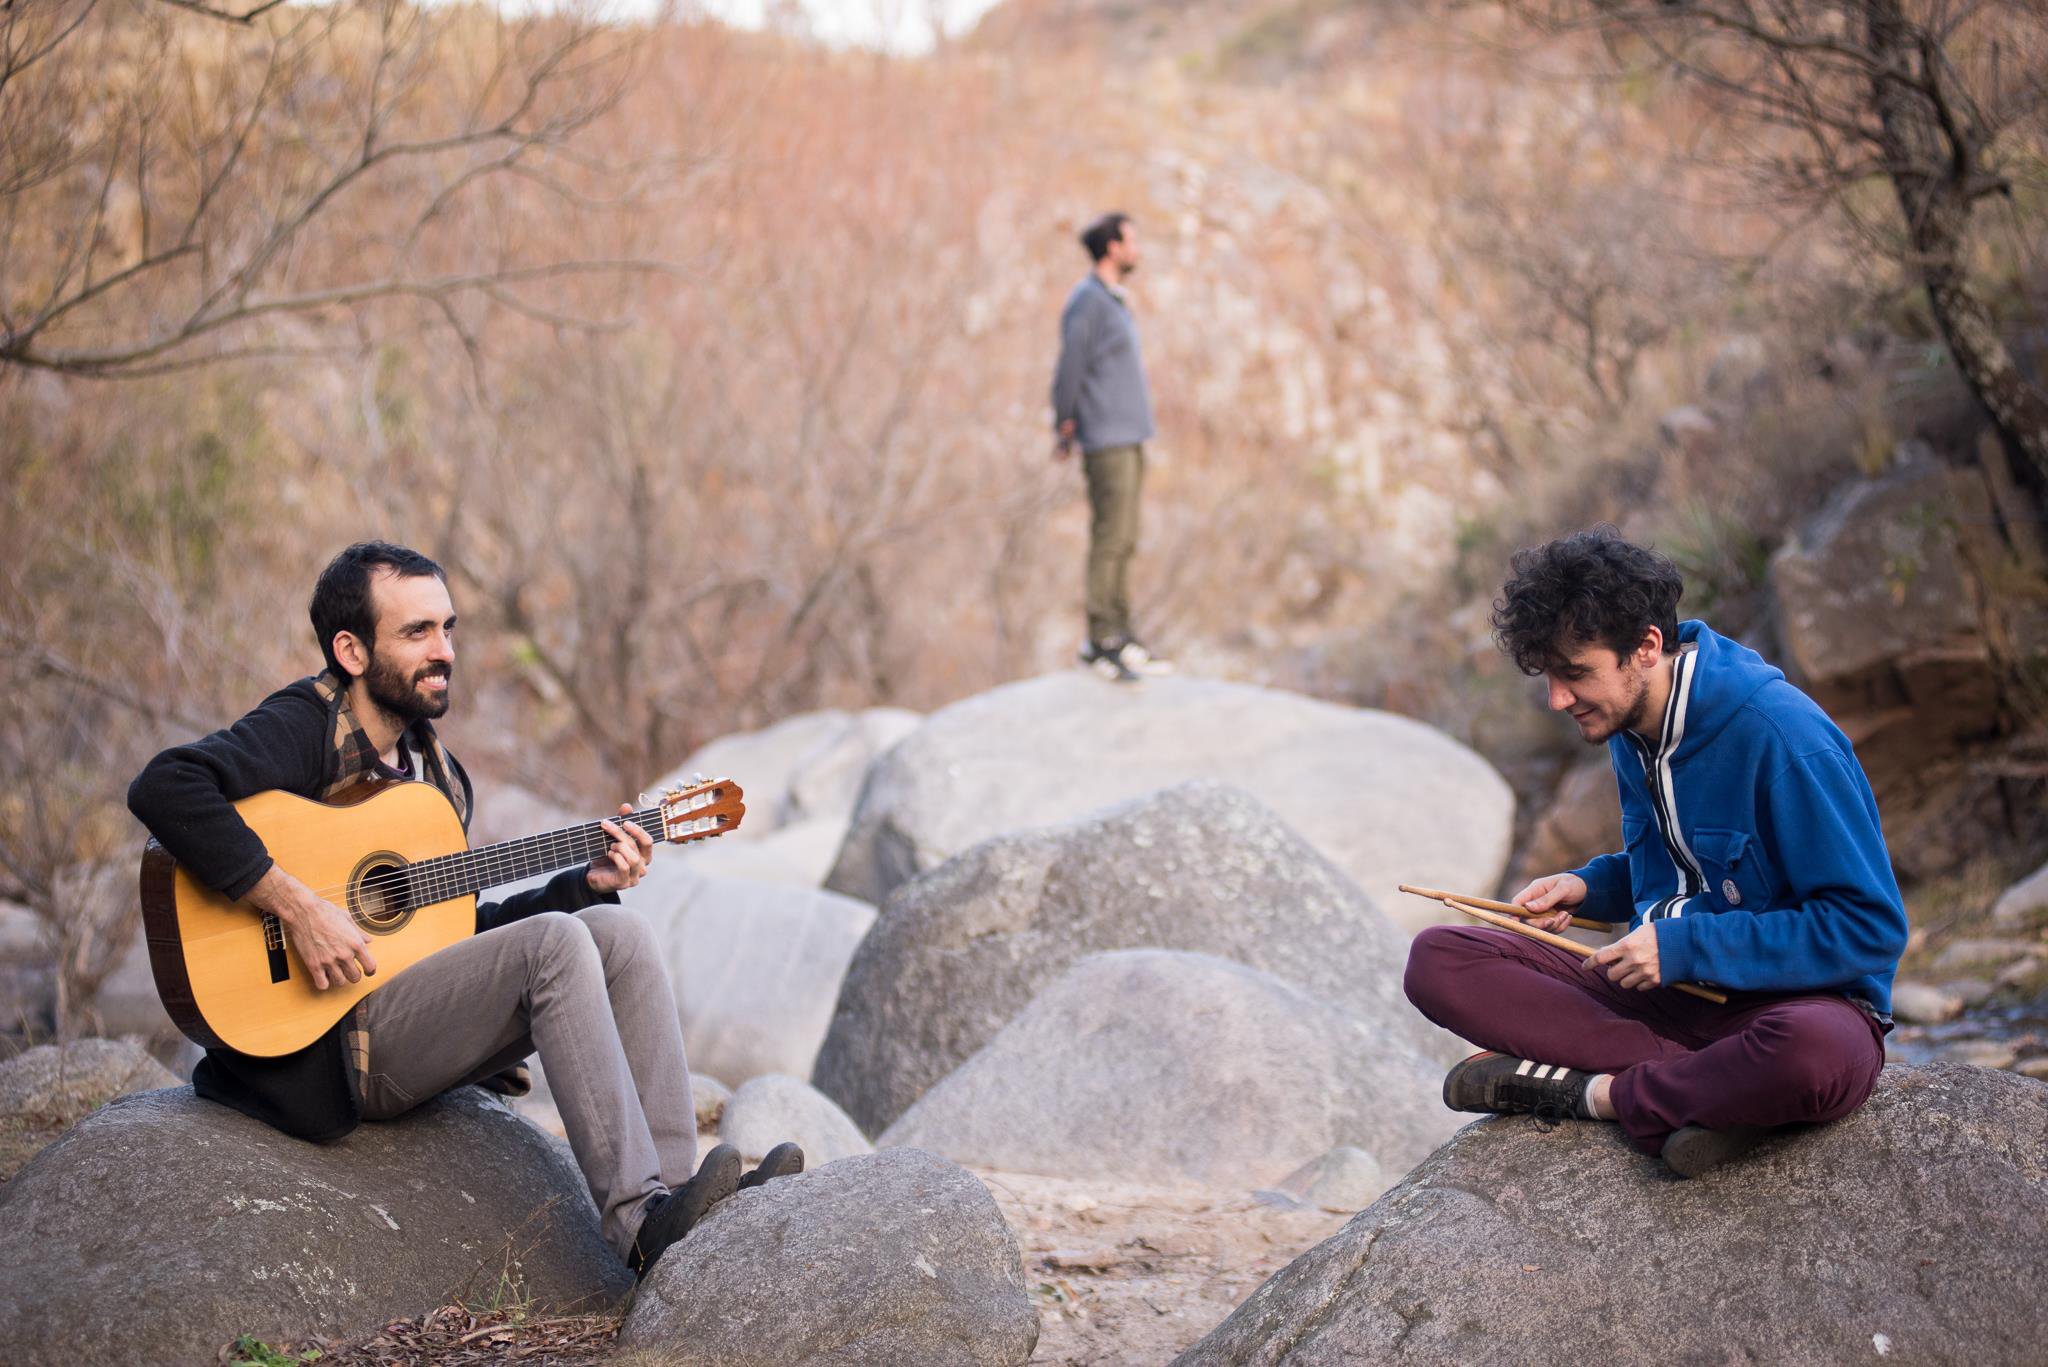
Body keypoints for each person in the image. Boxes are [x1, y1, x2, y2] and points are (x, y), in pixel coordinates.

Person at [128, 541, 800, 1276]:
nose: (443, 650)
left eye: (448, 628)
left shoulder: (437, 777)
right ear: (351, 649)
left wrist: (589, 883)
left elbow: (455, 938)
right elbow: (167, 786)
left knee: (617, 931)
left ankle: (680, 1204)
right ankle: (637, 1222)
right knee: (551, 945)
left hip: (404, 1011)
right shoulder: (305, 726)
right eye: (416, 632)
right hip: (326, 1045)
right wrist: (297, 906)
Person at [1403, 527, 1907, 1176]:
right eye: (1550, 677)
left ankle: (1602, 1092)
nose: (1559, 698)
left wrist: (1684, 947)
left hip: (1795, 1004)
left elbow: (1869, 928)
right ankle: (1709, 1092)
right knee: (1439, 957)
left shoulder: (1783, 736)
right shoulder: (1630, 727)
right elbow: (1688, 869)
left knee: (1810, 1054)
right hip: (1665, 998)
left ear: (1645, 647)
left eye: (1575, 673)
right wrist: (1589, 888)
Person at [1051, 211, 1172, 683]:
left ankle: (1121, 632)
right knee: (1110, 538)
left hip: (1129, 434)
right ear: (1112, 248)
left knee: (1126, 537)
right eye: (1132, 242)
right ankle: (1101, 639)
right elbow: (1069, 368)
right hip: (1105, 437)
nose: (1137, 251)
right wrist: (1064, 423)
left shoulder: (1111, 299)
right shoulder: (1088, 302)